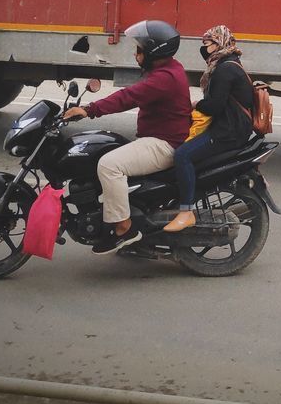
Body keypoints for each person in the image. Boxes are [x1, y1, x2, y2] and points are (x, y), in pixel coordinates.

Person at [63, 20, 192, 255]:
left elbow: (129, 97)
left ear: (154, 51)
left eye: (140, 49)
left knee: (109, 165)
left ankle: (124, 227)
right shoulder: (168, 70)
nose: (136, 53)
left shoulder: (164, 78)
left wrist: (89, 110)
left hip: (164, 144)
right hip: (158, 138)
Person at [163, 25, 256, 233]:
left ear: (219, 44)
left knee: (182, 155)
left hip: (227, 133)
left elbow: (215, 106)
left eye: (207, 44)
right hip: (231, 127)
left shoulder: (225, 69)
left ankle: (186, 211)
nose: (204, 49)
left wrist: (195, 105)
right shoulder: (229, 64)